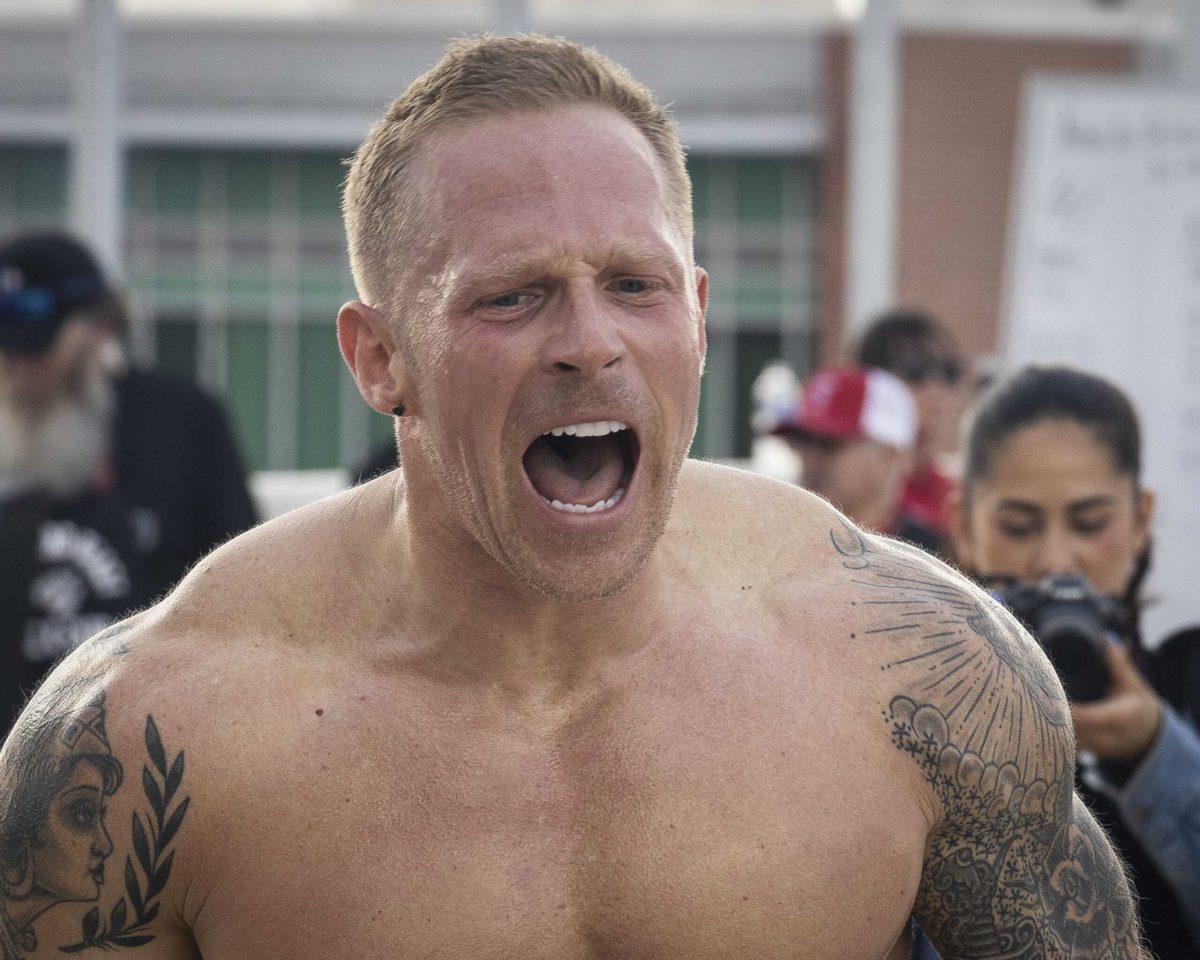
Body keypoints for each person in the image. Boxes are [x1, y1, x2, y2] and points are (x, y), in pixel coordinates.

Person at [0, 35, 1150, 960]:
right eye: (511, 297)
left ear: (697, 313)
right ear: (377, 358)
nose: (589, 344)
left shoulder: (918, 670)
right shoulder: (151, 741)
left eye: (635, 285)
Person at [946, 365, 1200, 957]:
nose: (1058, 559)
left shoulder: (1188, 677)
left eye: (1090, 523)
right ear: (964, 524)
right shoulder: (920, 694)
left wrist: (1151, 753)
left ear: (1141, 518)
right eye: (1019, 525)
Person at [0, 232, 257, 731]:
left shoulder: (179, 423)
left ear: (99, 326)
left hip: (152, 731)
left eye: (33, 342)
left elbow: (240, 593)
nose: (14, 363)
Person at [773, 365, 944, 555]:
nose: (810, 459)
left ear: (889, 454)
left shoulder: (939, 556)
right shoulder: (774, 540)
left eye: (828, 443)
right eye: (801, 442)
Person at [857, 309, 964, 542]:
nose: (936, 388)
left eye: (949, 372)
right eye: (915, 372)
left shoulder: (953, 491)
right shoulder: (857, 487)